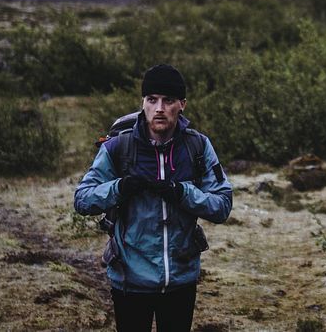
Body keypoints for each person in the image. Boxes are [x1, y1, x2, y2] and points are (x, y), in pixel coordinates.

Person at [75, 64, 232, 332]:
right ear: (143, 103)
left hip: (181, 280)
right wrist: (121, 187)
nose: (159, 108)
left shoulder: (197, 146)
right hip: (130, 281)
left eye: (168, 100)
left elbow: (222, 205)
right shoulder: (118, 147)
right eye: (152, 100)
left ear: (182, 104)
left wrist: (181, 192)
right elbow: (83, 199)